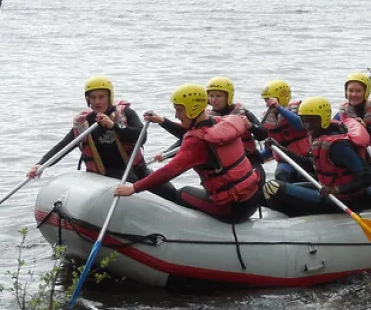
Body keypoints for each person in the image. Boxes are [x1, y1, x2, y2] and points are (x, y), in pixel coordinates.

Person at [114, 84, 261, 223]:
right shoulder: (220, 122)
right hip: (252, 200)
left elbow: (169, 171)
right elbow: (192, 132)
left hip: (231, 210)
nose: (177, 115)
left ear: (193, 108)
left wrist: (133, 188)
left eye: (179, 110)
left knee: (183, 193)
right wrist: (162, 121)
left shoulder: (196, 141)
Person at [29, 76, 180, 204]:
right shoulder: (84, 123)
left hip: (135, 172)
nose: (97, 102)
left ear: (110, 97)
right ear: (87, 99)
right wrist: (40, 165)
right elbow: (64, 146)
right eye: (92, 98)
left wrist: (114, 126)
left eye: (101, 97)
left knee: (170, 192)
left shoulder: (125, 113)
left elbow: (142, 137)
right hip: (104, 178)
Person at [265, 97, 371, 216]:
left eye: (312, 121)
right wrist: (280, 149)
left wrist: (337, 189)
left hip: (343, 200)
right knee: (269, 189)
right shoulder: (319, 136)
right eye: (304, 121)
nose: (307, 126)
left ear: (324, 119)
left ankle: (296, 218)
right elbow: (309, 165)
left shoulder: (339, 146)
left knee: (273, 188)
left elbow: (368, 176)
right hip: (326, 190)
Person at [147, 76, 269, 170]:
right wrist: (165, 154)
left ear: (228, 96)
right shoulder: (207, 118)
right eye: (211, 96)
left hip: (250, 160)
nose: (214, 100)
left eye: (218, 96)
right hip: (226, 165)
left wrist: (250, 126)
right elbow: (186, 137)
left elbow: (263, 134)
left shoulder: (243, 113)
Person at [260, 79, 310, 183]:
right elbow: (270, 151)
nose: (267, 105)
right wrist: (254, 157)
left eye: (269, 100)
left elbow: (301, 125)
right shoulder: (267, 120)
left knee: (307, 177)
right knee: (281, 174)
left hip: (306, 159)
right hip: (286, 162)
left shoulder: (299, 109)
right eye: (266, 101)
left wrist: (279, 108)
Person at [337, 71, 371, 164]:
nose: (353, 94)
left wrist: (365, 128)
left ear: (366, 92)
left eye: (358, 91)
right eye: (350, 90)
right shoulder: (342, 112)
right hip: (355, 159)